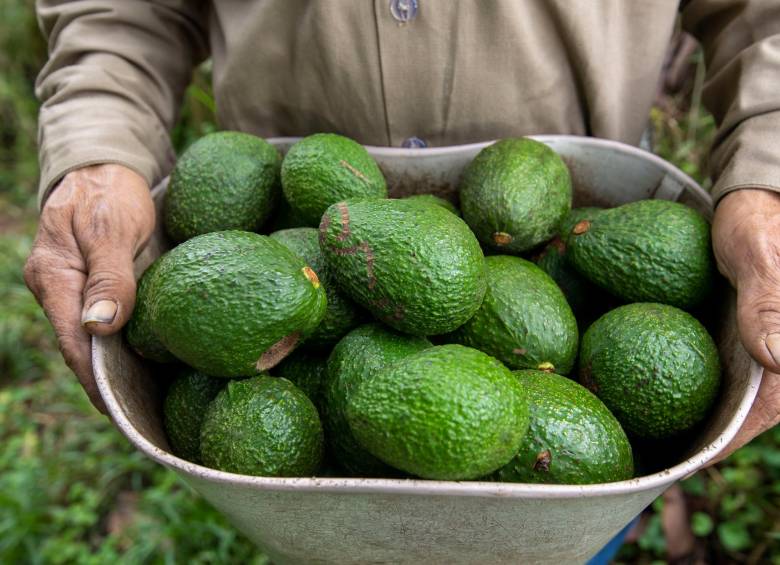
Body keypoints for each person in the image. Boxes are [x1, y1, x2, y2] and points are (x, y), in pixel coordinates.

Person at [24, 1, 780, 559]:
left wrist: (769, 175)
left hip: (549, 234)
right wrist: (98, 143)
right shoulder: (305, 293)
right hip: (278, 220)